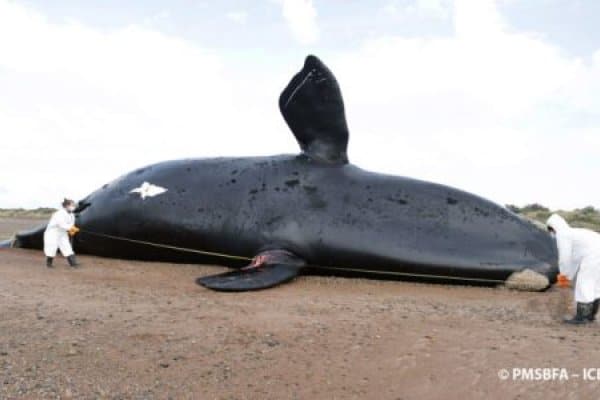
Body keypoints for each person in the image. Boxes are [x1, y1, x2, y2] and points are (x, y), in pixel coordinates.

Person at [547, 214, 600, 324]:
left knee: (584, 283)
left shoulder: (563, 235)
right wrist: (568, 276)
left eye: (550, 231)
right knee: (595, 284)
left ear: (553, 228)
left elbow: (565, 258)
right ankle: (591, 315)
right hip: (596, 253)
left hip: (593, 255)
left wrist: (563, 276)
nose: (551, 234)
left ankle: (582, 318)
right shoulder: (574, 232)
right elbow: (575, 259)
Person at [44, 198, 80, 268]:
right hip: (52, 233)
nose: (74, 207)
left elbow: (71, 224)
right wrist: (71, 228)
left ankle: (73, 263)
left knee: (67, 247)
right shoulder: (59, 213)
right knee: (52, 247)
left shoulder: (72, 215)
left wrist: (71, 230)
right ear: (67, 206)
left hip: (62, 233)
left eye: (74, 205)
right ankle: (49, 263)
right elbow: (61, 224)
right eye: (72, 205)